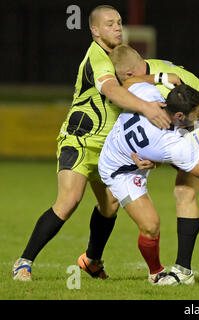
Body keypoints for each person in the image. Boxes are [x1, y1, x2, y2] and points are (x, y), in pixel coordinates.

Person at [12, 5, 174, 281]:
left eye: (120, 22)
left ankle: (92, 261)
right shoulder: (97, 58)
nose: (117, 27)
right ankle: (24, 261)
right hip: (80, 140)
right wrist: (149, 107)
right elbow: (112, 90)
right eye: (110, 23)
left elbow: (125, 107)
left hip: (109, 148)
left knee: (109, 206)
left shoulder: (120, 60)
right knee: (69, 201)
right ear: (95, 30)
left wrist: (136, 148)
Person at [108, 44, 199, 285]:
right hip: (196, 132)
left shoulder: (158, 85)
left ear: (129, 73)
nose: (116, 85)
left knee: (184, 192)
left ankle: (183, 271)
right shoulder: (155, 74)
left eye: (118, 78)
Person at [98, 82, 199, 284]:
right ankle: (156, 272)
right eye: (197, 112)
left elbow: (128, 83)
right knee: (150, 225)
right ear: (180, 116)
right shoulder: (171, 143)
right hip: (120, 171)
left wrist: (160, 76)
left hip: (124, 150)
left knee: (107, 209)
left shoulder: (147, 92)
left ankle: (91, 258)